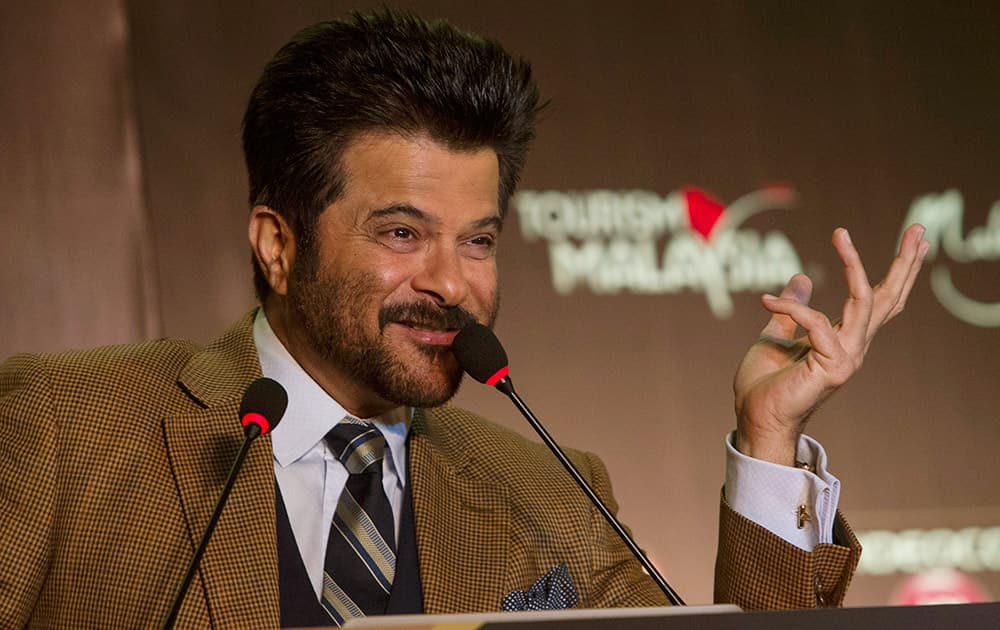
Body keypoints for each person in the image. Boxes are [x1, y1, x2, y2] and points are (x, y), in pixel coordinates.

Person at [0, 10, 929, 628]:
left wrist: (768, 438)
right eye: (402, 232)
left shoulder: (552, 496)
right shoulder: (60, 427)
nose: (454, 284)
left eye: (478, 241)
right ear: (278, 245)